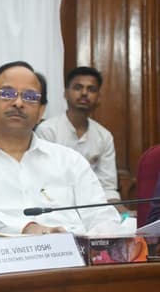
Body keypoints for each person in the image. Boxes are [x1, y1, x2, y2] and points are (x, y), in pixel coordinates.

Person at [0, 61, 121, 239]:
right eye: (7, 94)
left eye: (30, 97)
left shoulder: (70, 160)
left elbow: (101, 216)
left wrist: (107, 239)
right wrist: (31, 230)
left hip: (73, 252)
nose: (18, 103)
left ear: (41, 112)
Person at [36, 66, 121, 204]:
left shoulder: (104, 136)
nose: (84, 93)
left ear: (98, 97)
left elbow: (108, 187)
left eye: (91, 89)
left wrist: (121, 211)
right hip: (55, 204)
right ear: (65, 93)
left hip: (93, 205)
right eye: (78, 87)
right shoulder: (47, 130)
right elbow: (42, 182)